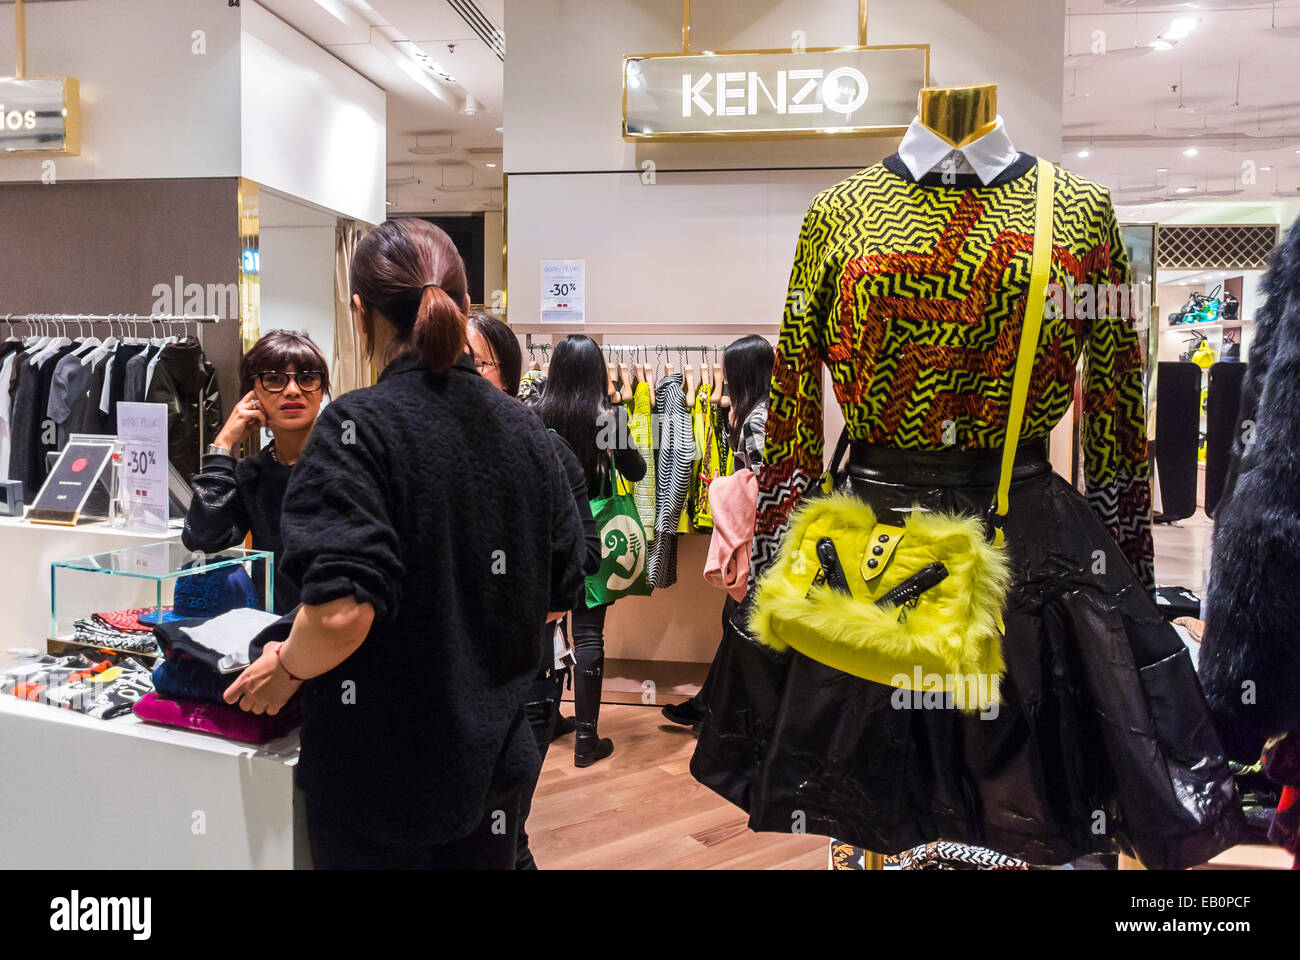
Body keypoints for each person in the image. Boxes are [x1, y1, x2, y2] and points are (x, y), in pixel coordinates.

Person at [222, 219, 586, 870]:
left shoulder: (358, 428)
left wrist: (287, 668)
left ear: (360, 313)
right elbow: (560, 595)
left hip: (382, 788)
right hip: (495, 775)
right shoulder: (529, 436)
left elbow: (338, 613)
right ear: (465, 307)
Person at [466, 311, 601, 869]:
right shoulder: (424, 450)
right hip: (449, 676)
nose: (462, 376)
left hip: (527, 672)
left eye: (475, 364)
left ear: (506, 371)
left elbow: (584, 559)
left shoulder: (546, 451)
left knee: (505, 835)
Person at [536, 334, 646, 767]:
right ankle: (587, 738)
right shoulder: (609, 417)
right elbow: (635, 471)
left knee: (544, 626)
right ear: (599, 372)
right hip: (591, 531)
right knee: (587, 633)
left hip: (544, 533)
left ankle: (547, 712)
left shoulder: (536, 411)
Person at [662, 334, 773, 726]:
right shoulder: (763, 411)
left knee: (739, 624)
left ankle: (721, 710)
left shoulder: (757, 417)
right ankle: (712, 704)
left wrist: (723, 488)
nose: (723, 377)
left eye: (729, 370)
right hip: (763, 541)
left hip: (760, 543)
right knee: (736, 623)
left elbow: (765, 483)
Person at [182, 329, 328, 613]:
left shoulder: (346, 462)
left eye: (307, 378)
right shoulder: (253, 471)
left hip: (341, 632)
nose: (293, 390)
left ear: (321, 391)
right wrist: (223, 445)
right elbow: (203, 539)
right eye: (274, 379)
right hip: (273, 630)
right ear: (251, 395)